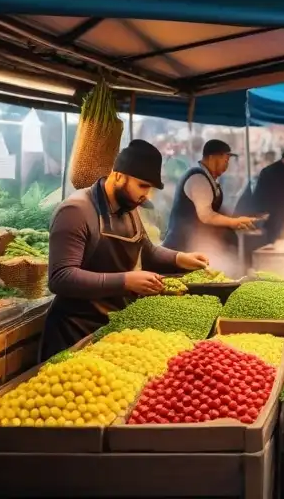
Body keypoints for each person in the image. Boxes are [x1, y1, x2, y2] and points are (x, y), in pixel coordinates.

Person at [42, 140, 209, 360]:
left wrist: (180, 258)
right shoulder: (76, 211)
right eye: (142, 185)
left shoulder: (128, 208)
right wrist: (126, 281)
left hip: (110, 329)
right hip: (74, 334)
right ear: (119, 175)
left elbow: (147, 251)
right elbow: (60, 277)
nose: (147, 196)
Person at [163, 139, 258, 258]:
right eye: (226, 160)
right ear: (212, 158)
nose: (227, 165)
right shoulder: (198, 178)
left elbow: (217, 211)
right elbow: (206, 216)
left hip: (199, 246)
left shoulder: (209, 179)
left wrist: (239, 219)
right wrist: (233, 222)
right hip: (183, 247)